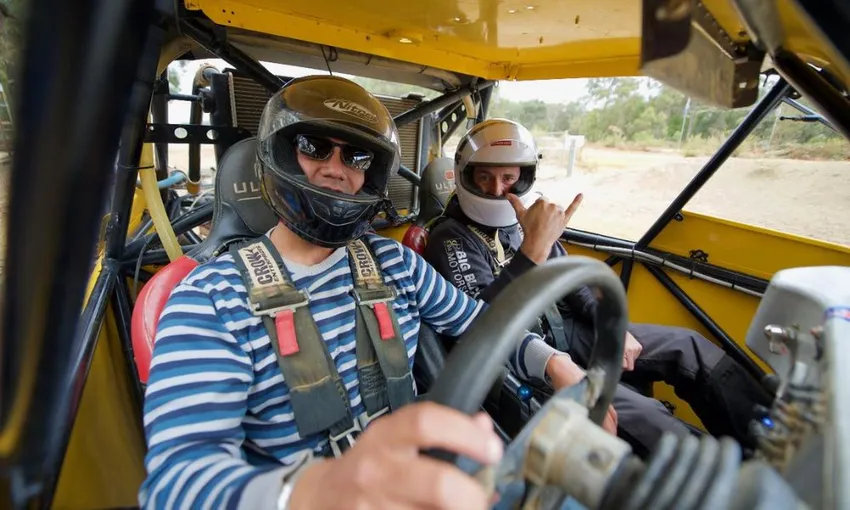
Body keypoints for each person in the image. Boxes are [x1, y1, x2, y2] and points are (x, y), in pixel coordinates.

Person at [138, 76, 616, 510]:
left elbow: (480, 324)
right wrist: (315, 492)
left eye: (356, 157)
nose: (336, 169)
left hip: (429, 478)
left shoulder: (394, 262)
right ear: (280, 154)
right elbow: (176, 483)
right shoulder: (210, 298)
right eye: (314, 147)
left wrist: (555, 362)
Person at [423, 118, 774, 458]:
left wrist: (612, 328)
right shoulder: (450, 237)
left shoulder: (524, 220)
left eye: (509, 178)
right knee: (651, 418)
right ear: (466, 176)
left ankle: (768, 440)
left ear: (524, 177)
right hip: (524, 357)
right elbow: (482, 326)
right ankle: (724, 479)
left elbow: (574, 283)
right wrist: (531, 252)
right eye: (485, 177)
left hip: (569, 331)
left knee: (689, 348)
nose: (498, 190)